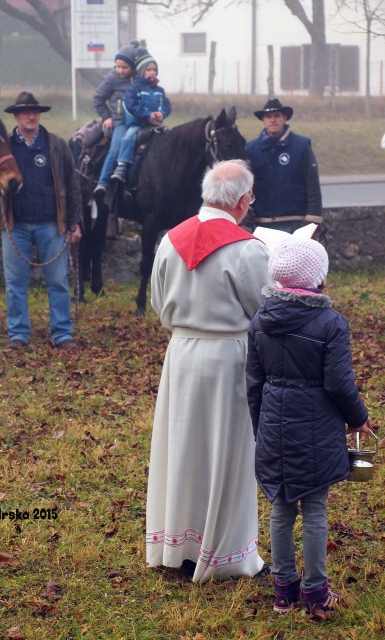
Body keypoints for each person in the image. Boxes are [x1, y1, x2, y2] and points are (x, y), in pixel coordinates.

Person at [146, 159, 273, 583]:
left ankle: (180, 547)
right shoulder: (247, 248)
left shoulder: (170, 240)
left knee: (183, 451)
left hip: (181, 352)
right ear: (241, 201)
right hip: (229, 357)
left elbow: (158, 301)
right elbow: (264, 310)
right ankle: (228, 555)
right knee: (228, 453)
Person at [246, 236, 371, 618]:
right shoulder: (330, 322)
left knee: (281, 509)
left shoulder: (261, 319)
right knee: (315, 509)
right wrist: (359, 416)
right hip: (316, 429)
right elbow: (338, 383)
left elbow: (253, 381)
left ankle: (284, 591)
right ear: (318, 278)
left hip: (273, 427)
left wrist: (261, 426)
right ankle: (316, 591)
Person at [0, 91, 82, 350]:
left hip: (52, 224)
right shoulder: (3, 146)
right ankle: (18, 336)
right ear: (15, 116)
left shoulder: (56, 144)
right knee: (15, 284)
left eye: (35, 111)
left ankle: (62, 334)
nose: (31, 116)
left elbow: (72, 185)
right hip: (15, 226)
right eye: (26, 112)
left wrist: (75, 222)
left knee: (58, 282)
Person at [246, 98, 322, 232]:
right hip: (261, 224)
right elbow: (246, 186)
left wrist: (313, 218)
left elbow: (312, 184)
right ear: (263, 120)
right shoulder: (251, 149)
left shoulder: (302, 146)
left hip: (295, 223)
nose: (272, 120)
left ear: (285, 118)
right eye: (268, 116)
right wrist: (247, 209)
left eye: (277, 116)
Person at [110, 48, 171, 183]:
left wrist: (161, 113)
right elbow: (132, 105)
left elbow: (166, 105)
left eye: (154, 70)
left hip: (156, 124)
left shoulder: (160, 90)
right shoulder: (135, 88)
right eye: (149, 70)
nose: (152, 72)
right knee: (127, 138)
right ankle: (122, 166)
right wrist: (147, 115)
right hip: (139, 125)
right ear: (142, 72)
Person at [92, 40, 139, 199]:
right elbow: (98, 97)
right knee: (115, 148)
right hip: (121, 122)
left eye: (124, 67)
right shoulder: (112, 78)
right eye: (118, 66)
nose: (120, 70)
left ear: (133, 67)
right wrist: (107, 116)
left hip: (140, 121)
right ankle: (103, 183)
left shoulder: (139, 78)